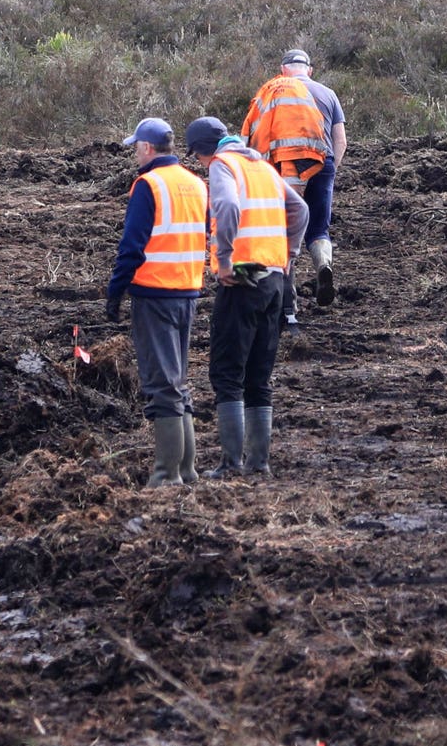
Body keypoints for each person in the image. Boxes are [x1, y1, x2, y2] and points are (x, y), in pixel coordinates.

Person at [199, 120, 308, 474]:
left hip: (242, 281)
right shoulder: (262, 166)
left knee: (227, 373)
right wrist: (289, 255)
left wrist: (226, 259)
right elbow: (300, 210)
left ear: (204, 151)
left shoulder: (222, 165)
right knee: (259, 377)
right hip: (275, 282)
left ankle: (232, 463)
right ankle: (259, 463)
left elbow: (227, 206)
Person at [104, 116, 206, 487]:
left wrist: (115, 291)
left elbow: (131, 246)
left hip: (155, 293)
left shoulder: (148, 185)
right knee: (177, 380)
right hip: (188, 291)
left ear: (147, 148)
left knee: (162, 383)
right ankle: (187, 469)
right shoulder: (195, 183)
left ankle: (166, 474)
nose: (135, 154)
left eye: (136, 148)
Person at [242, 49, 344, 315]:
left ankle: (289, 301)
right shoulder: (328, 93)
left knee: (285, 227)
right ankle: (324, 265)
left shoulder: (274, 91)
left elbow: (255, 134)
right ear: (309, 70)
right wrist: (330, 170)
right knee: (319, 228)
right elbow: (340, 140)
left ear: (283, 69)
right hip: (322, 162)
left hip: (284, 166)